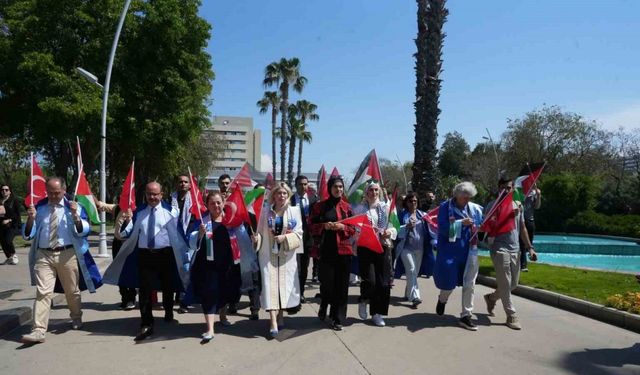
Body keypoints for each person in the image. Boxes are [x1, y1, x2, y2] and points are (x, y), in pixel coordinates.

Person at [104, 181, 191, 341]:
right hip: (145, 256)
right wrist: (121, 223)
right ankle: (146, 322)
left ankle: (168, 311)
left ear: (161, 194)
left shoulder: (171, 211)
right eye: (149, 194)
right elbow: (125, 234)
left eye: (155, 194)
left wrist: (186, 251)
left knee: (168, 286)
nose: (152, 197)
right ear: (145, 194)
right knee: (144, 290)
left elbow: (179, 234)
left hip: (166, 255)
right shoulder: (138, 213)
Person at [21, 177, 102, 344]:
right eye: (50, 192)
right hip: (44, 254)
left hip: (68, 254)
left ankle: (76, 316)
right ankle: (38, 330)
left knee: (71, 291)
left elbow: (83, 231)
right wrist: (30, 219)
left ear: (64, 191)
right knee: (43, 292)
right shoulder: (39, 208)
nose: (53, 196)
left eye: (56, 193)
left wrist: (76, 217)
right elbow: (28, 234)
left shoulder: (73, 207)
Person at [483, 178, 537, 330]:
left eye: (508, 188)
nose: (506, 190)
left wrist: (530, 247)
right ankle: (511, 315)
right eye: (502, 188)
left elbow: (523, 227)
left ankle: (491, 298)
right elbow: (487, 226)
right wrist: (506, 216)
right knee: (506, 283)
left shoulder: (518, 205)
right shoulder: (492, 205)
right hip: (499, 248)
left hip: (515, 249)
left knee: (513, 284)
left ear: (513, 188)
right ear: (498, 189)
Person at [187, 192, 241, 341]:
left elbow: (242, 239)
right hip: (207, 265)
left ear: (223, 203)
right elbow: (190, 241)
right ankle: (210, 329)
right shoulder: (202, 221)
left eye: (218, 202)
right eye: (212, 203)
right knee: (209, 295)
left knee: (226, 292)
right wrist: (199, 234)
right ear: (207, 205)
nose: (216, 206)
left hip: (228, 264)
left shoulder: (230, 220)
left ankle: (222, 316)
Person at [254, 182, 303, 337]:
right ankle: (273, 321)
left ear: (288, 196)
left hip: (286, 256)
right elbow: (260, 234)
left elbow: (299, 233)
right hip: (268, 256)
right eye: (278, 193)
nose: (281, 196)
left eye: (284, 193)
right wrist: (256, 239)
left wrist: (285, 237)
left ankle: (281, 315)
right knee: (270, 287)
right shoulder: (265, 213)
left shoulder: (294, 212)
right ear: (273, 195)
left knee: (283, 286)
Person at [433, 181, 484, 331]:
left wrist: (480, 227)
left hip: (470, 250)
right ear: (457, 195)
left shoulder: (474, 209)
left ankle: (466, 315)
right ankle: (443, 299)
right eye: (464, 197)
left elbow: (482, 224)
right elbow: (442, 228)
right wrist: (462, 223)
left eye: (469, 197)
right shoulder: (445, 207)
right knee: (450, 282)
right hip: (451, 251)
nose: (467, 200)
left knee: (470, 283)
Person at [309, 175, 356, 331]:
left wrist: (343, 228)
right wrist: (324, 226)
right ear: (330, 188)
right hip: (326, 250)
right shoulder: (319, 206)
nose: (338, 189)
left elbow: (353, 228)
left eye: (341, 187)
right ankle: (324, 304)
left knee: (341, 287)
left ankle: (337, 317)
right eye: (336, 187)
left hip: (344, 251)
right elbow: (311, 226)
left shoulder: (347, 207)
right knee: (327, 284)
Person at [354, 181, 397, 327]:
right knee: (370, 280)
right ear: (366, 193)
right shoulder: (360, 209)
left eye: (376, 190)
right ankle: (364, 299)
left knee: (383, 282)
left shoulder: (387, 208)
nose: (374, 193)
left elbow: (395, 227)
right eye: (371, 190)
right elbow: (355, 228)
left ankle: (377, 313)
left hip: (383, 247)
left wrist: (389, 232)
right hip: (366, 247)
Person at [394, 192, 436, 308]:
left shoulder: (422, 215)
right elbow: (395, 230)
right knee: (411, 269)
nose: (413, 203)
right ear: (406, 203)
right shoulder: (402, 216)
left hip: (420, 249)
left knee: (414, 273)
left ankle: (408, 293)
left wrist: (434, 241)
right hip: (405, 248)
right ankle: (415, 297)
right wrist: (405, 227)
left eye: (415, 201)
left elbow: (431, 228)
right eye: (410, 201)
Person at [291, 175, 318, 303]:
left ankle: (300, 292)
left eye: (305, 184)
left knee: (304, 267)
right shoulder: (290, 200)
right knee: (295, 267)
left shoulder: (313, 199)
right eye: (301, 184)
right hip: (294, 237)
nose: (303, 186)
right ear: (296, 185)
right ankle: (292, 292)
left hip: (308, 238)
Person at [170, 175, 194, 313]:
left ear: (190, 185)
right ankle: (176, 295)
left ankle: (184, 298)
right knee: (175, 268)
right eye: (180, 182)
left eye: (185, 182)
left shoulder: (194, 201)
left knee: (186, 268)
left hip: (189, 238)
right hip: (174, 238)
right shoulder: (170, 200)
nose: (183, 184)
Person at [519, 186, 541, 272]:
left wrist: (538, 196)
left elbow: (537, 206)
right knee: (522, 243)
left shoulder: (534, 193)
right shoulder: (519, 192)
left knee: (529, 243)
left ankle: (530, 256)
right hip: (521, 220)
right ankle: (523, 265)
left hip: (530, 220)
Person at [0, 184, 21, 265]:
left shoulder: (14, 200)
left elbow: (17, 214)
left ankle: (13, 255)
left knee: (8, 240)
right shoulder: (0, 200)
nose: (4, 191)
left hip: (12, 224)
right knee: (2, 241)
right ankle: (9, 258)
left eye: (6, 190)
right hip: (1, 225)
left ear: (10, 191)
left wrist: (9, 220)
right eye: (2, 190)